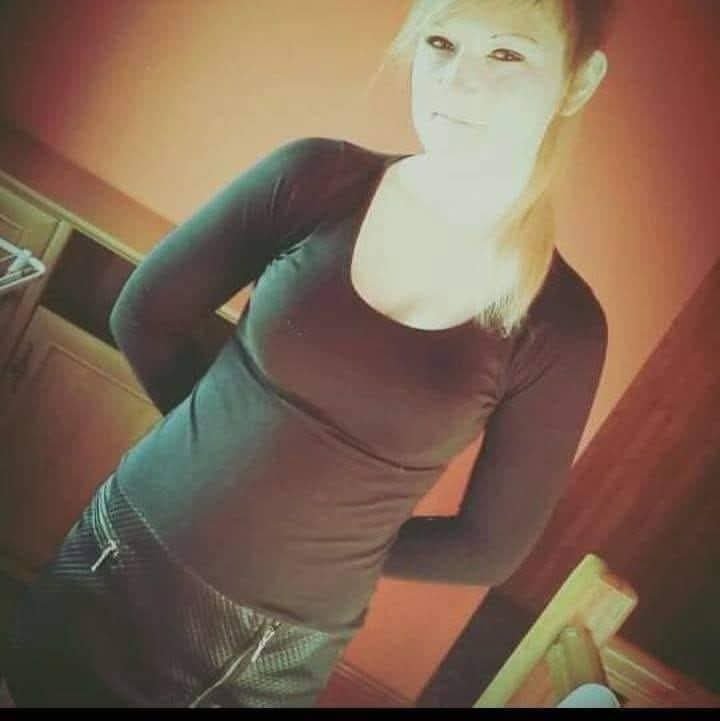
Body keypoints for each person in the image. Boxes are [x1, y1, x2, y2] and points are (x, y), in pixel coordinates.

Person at [2, 0, 615, 708]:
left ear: (577, 80)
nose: (457, 81)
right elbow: (144, 313)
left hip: (263, 650)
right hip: (123, 547)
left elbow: (488, 546)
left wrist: (329, 545)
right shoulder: (316, 178)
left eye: (507, 53)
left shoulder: (563, 328)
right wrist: (219, 443)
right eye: (440, 42)